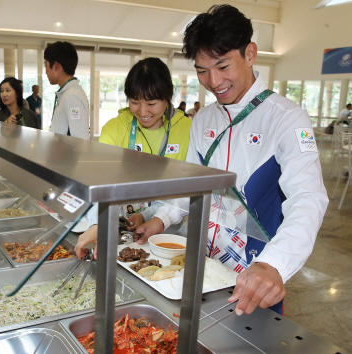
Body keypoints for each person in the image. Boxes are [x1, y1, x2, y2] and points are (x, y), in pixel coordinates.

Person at [132, 5, 328, 316]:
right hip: (201, 266)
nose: (213, 81)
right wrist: (163, 219)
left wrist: (273, 264)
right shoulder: (204, 118)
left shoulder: (288, 119)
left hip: (254, 272)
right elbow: (191, 182)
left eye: (223, 66)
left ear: (250, 53)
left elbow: (308, 199)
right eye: (201, 70)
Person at [74, 57, 191, 259]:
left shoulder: (187, 130)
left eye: (152, 103)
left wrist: (149, 216)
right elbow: (98, 183)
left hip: (170, 235)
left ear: (168, 97)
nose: (143, 112)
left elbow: (187, 191)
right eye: (134, 102)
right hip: (118, 230)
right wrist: (98, 223)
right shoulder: (115, 129)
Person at [44, 41, 90, 139]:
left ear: (56, 66)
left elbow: (80, 139)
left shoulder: (71, 96)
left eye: (46, 66)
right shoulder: (68, 92)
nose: (45, 72)